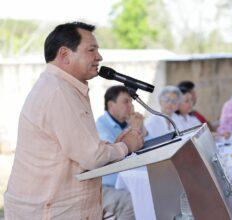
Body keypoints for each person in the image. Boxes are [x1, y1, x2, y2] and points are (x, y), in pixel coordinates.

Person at [4, 22, 144, 219]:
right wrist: (126, 146)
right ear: (64, 55)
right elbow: (91, 156)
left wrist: (115, 146)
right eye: (91, 50)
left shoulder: (64, 87)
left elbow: (78, 151)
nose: (99, 57)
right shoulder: (57, 91)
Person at [96, 85, 146, 220]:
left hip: (129, 181)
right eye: (126, 101)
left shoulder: (127, 124)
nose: (131, 106)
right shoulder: (101, 127)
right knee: (132, 203)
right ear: (111, 105)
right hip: (105, 187)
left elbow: (149, 146)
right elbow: (117, 156)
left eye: (131, 101)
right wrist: (134, 130)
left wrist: (141, 129)